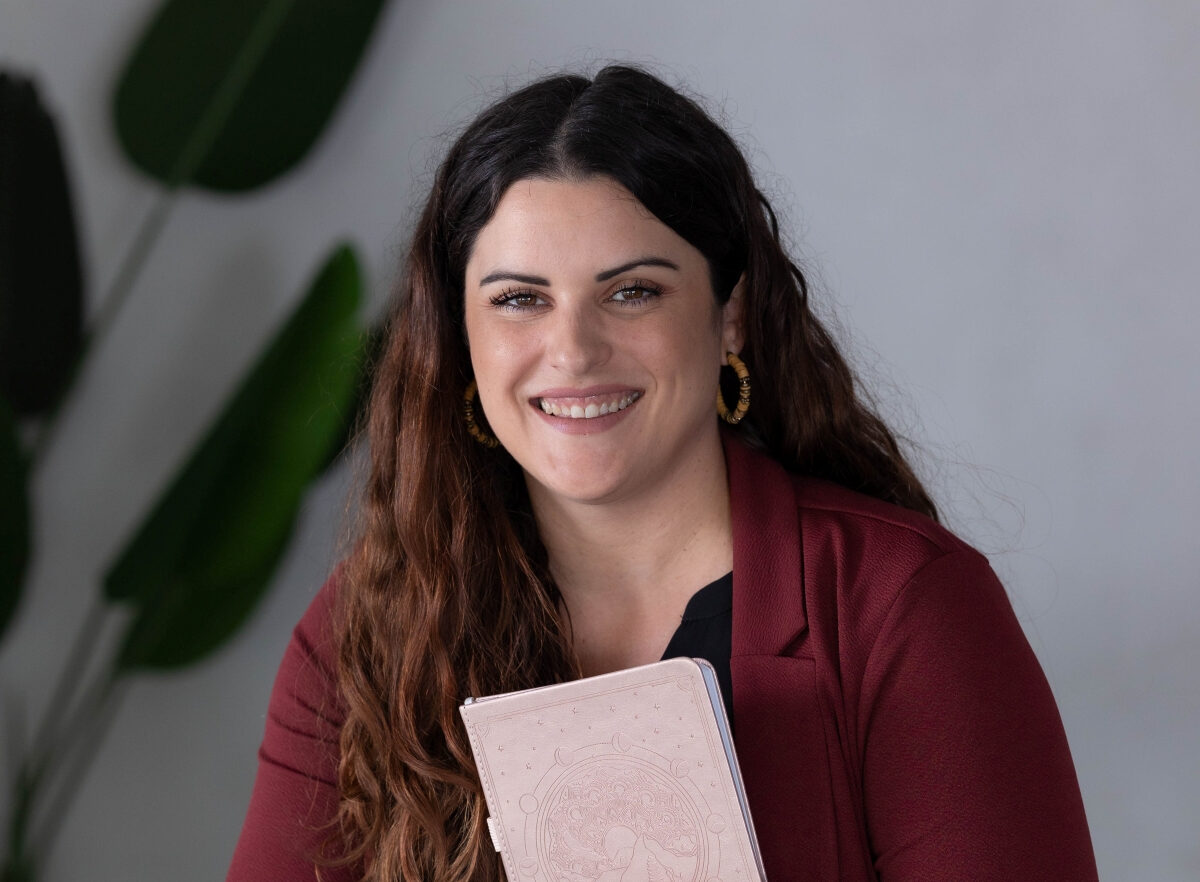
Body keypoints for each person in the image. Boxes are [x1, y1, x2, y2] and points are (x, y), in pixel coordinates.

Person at [226, 65, 1098, 881]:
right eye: (519, 300)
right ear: (460, 343)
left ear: (731, 318)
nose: (572, 349)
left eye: (632, 291)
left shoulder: (907, 608)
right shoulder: (365, 628)